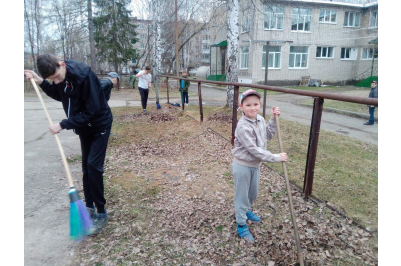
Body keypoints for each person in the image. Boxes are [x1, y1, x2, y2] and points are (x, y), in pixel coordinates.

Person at [24, 53, 112, 236]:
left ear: (62, 64)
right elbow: (58, 94)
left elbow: (92, 111)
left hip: (99, 124)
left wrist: (62, 124)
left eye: (56, 77)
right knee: (86, 168)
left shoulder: (84, 76)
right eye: (52, 79)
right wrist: (41, 81)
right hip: (84, 127)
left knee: (94, 167)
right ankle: (88, 206)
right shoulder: (60, 78)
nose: (56, 82)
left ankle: (101, 212)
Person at [231, 89, 288, 243]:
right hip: (242, 166)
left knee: (252, 193)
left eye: (255, 104)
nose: (252, 108)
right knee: (242, 196)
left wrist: (272, 119)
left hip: (255, 165)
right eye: (248, 105)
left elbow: (268, 134)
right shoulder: (242, 126)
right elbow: (254, 151)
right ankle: (241, 223)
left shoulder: (260, 120)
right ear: (241, 106)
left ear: (260, 104)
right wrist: (275, 157)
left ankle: (246, 210)